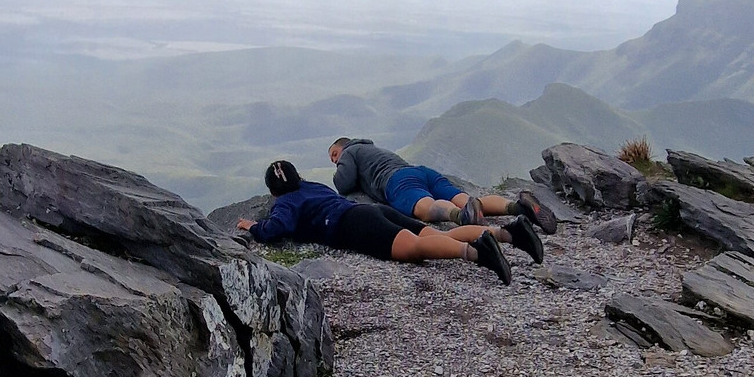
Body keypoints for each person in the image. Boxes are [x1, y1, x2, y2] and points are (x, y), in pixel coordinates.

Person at [237, 161, 546, 286]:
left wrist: (252, 227)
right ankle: (507, 232)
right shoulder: (313, 188)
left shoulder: (287, 202)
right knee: (437, 234)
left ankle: (479, 252)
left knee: (413, 249)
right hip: (371, 211)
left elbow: (276, 228)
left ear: (274, 190)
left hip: (353, 226)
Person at [327, 137, 558, 233]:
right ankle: (518, 207)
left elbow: (343, 182)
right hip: (421, 171)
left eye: (334, 155)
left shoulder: (350, 151)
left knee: (423, 207)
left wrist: (340, 166)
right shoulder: (374, 149)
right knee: (463, 197)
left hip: (395, 181)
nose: (335, 160)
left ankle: (460, 216)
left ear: (341, 147)